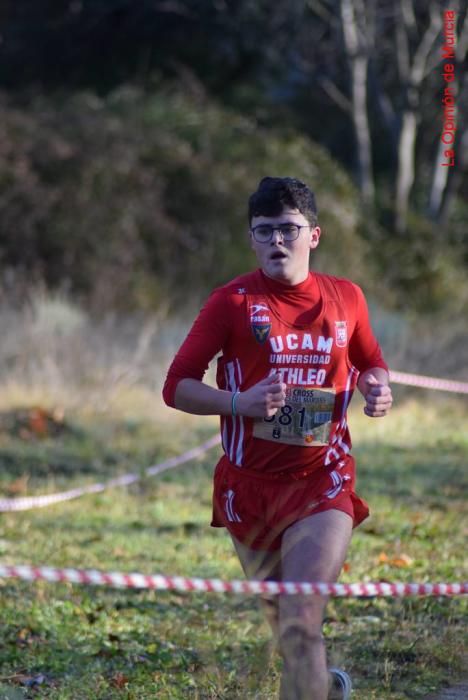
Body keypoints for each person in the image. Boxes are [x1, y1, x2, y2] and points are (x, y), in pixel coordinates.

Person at [162, 177, 393, 700]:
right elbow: (176, 387)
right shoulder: (232, 302)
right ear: (252, 239)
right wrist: (238, 403)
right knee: (288, 632)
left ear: (314, 235)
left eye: (289, 229)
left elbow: (371, 362)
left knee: (302, 620)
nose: (277, 242)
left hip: (321, 482)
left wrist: (378, 387)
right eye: (264, 231)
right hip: (249, 487)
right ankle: (324, 688)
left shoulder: (346, 298)